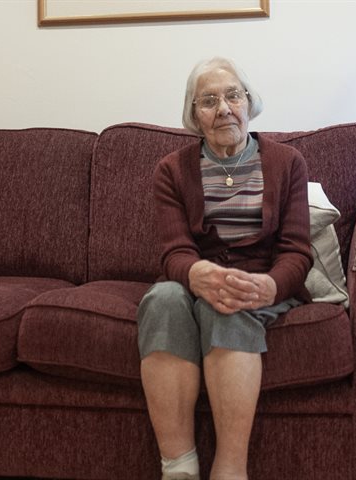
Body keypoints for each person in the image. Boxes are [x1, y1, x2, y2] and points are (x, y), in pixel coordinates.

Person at [137, 57, 313, 480]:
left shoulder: (288, 162)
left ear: (249, 103)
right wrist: (195, 274)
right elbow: (174, 251)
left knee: (227, 304)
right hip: (194, 280)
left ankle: (230, 470)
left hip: (260, 283)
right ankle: (178, 468)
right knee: (161, 298)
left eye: (233, 95)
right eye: (208, 100)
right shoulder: (171, 170)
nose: (223, 108)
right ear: (193, 116)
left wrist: (271, 285)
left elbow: (296, 251)